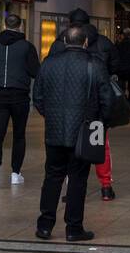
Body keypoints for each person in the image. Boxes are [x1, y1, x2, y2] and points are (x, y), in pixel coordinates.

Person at [32, 25, 119, 241]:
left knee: (52, 177)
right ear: (85, 42)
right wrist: (101, 122)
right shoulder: (95, 65)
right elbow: (107, 100)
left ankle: (44, 225)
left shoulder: (48, 63)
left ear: (63, 41)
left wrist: (50, 116)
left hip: (54, 132)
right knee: (78, 179)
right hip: (84, 131)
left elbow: (38, 97)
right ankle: (73, 228)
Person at [0, 12, 39, 188]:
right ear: (20, 26)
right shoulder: (27, 47)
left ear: (4, 26)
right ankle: (15, 173)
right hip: (19, 95)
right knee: (19, 135)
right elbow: (35, 71)